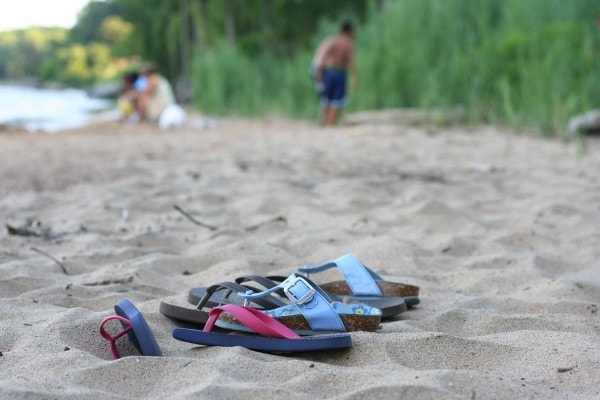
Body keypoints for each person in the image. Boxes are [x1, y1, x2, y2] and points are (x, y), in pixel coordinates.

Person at [311, 20, 358, 126]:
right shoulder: (349, 44)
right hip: (339, 73)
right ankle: (330, 123)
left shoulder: (331, 41)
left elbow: (322, 56)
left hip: (328, 72)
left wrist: (319, 71)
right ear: (349, 31)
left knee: (325, 99)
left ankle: (325, 122)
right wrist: (355, 77)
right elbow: (351, 62)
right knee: (336, 100)